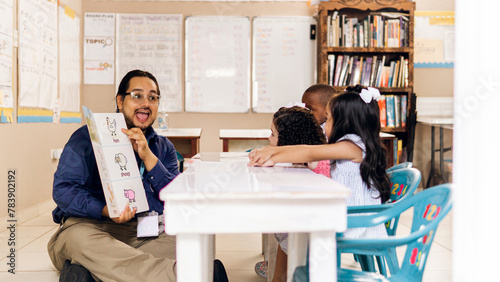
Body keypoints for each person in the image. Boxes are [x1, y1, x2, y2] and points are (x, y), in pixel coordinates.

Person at [47, 70, 228, 282]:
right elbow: (64, 190)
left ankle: (89, 274)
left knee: (191, 239)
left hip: (144, 232)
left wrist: (149, 157)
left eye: (153, 97)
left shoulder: (163, 147)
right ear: (120, 100)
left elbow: (177, 197)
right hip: (91, 227)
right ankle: (182, 275)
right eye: (137, 95)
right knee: (78, 241)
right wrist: (106, 211)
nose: (146, 103)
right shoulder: (86, 138)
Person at [250, 85, 391, 281]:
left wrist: (272, 153)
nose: (325, 125)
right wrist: (274, 153)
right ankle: (285, 275)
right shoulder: (354, 144)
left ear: (346, 123)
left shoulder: (352, 146)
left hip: (354, 224)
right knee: (292, 225)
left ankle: (293, 275)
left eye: (330, 119)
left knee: (293, 226)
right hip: (348, 217)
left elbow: (310, 151)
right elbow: (308, 150)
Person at [255, 106, 329, 281]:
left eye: (273, 134)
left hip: (313, 223)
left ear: (287, 139)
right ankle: (278, 275)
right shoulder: (301, 160)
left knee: (283, 224)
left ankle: (280, 275)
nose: (268, 138)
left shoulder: (313, 161)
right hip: (301, 220)